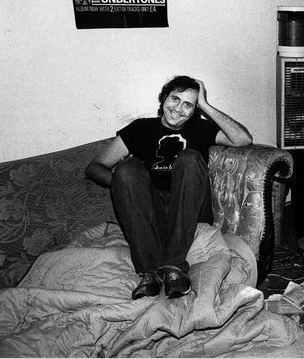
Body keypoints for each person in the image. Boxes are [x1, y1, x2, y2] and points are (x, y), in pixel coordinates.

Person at [85, 76, 252, 300]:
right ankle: (150, 273)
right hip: (150, 213)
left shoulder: (201, 128)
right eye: (175, 99)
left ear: (194, 110)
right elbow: (95, 167)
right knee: (127, 168)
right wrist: (122, 184)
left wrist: (205, 105)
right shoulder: (140, 128)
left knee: (190, 158)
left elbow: (243, 139)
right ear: (164, 99)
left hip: (190, 210)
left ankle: (174, 267)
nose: (179, 108)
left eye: (188, 104)